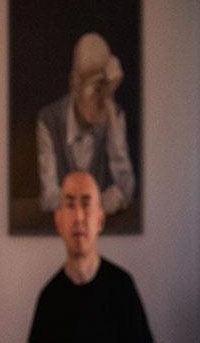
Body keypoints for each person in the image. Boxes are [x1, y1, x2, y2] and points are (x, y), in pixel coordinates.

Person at [21, 171, 156, 343]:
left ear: (100, 219)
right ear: (58, 220)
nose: (79, 216)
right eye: (70, 205)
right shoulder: (49, 299)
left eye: (86, 203)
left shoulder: (122, 288)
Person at [36, 32, 136, 215]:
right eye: (98, 88)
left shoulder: (113, 113)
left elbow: (127, 190)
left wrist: (111, 110)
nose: (104, 100)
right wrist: (98, 202)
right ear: (74, 84)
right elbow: (48, 197)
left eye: (109, 89)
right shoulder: (48, 120)